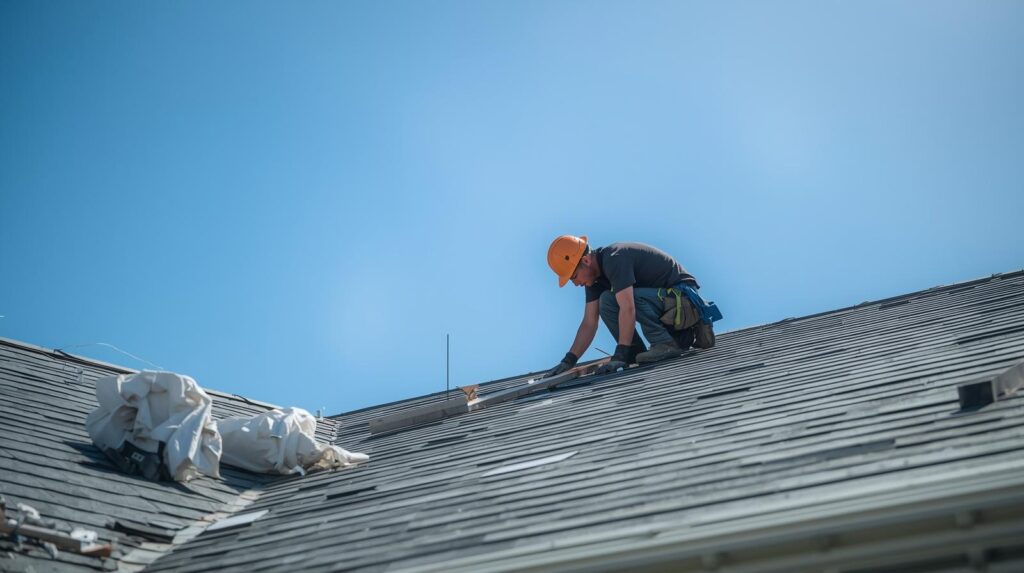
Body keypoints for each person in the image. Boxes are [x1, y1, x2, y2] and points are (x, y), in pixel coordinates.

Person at [544, 235, 722, 377]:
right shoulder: (594, 279)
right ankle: (634, 353)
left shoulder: (615, 258)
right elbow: (589, 323)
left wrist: (618, 354)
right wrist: (568, 361)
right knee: (607, 300)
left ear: (586, 261)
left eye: (574, 277)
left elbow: (628, 308)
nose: (576, 284)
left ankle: (662, 344)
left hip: (684, 305)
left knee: (626, 299)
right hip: (672, 317)